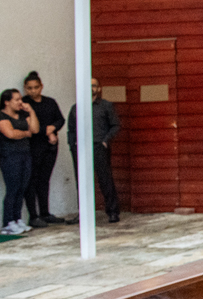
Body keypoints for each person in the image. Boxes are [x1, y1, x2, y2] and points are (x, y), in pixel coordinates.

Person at [67, 78, 121, 222]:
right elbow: (71, 129)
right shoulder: (76, 108)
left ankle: (113, 212)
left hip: (98, 146)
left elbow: (115, 125)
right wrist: (72, 145)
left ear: (99, 88)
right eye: (88, 85)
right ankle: (83, 213)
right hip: (80, 149)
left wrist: (105, 141)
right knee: (82, 181)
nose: (90, 88)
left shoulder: (106, 106)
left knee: (105, 179)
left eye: (93, 85)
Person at [22, 72, 65, 227]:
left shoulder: (50, 102)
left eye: (36, 87)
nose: (33, 91)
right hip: (33, 146)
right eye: (29, 88)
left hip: (50, 146)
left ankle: (45, 213)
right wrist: (47, 131)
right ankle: (33, 216)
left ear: (41, 87)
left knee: (44, 180)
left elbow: (60, 119)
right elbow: (27, 126)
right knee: (31, 181)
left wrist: (53, 128)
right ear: (25, 89)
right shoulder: (24, 104)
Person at [0, 88, 38, 235]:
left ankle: (17, 219)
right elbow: (10, 133)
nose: (20, 102)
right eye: (17, 99)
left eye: (21, 99)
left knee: (23, 187)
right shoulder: (2, 116)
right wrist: (25, 133)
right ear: (7, 102)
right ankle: (8, 222)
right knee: (13, 188)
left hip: (25, 154)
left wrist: (31, 111)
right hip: (9, 156)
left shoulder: (23, 114)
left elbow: (34, 129)